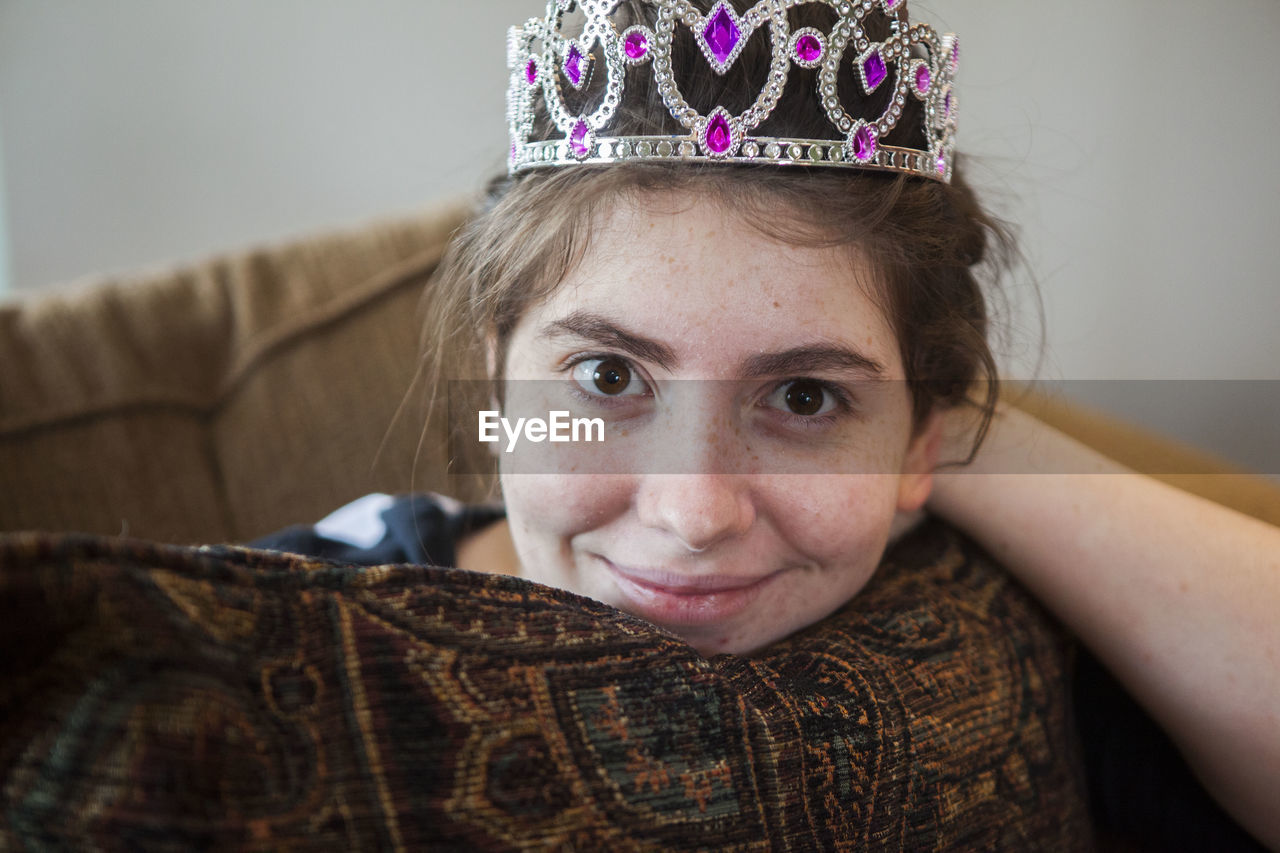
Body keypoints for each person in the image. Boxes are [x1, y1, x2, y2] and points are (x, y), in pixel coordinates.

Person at [256, 0, 1280, 848]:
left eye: (802, 397)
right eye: (607, 375)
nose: (693, 512)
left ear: (926, 432)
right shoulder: (298, 618)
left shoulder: (1011, 627)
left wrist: (935, 442)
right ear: (499, 376)